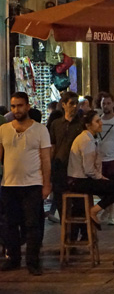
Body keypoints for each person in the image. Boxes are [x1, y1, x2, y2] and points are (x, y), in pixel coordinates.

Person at [0, 92, 51, 275]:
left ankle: (33, 261)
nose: (16, 110)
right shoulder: (4, 130)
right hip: (9, 184)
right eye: (13, 106)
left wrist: (46, 184)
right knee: (10, 224)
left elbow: (46, 159)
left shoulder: (40, 130)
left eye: (20, 106)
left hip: (32, 184)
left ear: (28, 106)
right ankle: (13, 258)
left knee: (32, 225)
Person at [67, 110, 114, 227]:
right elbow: (89, 170)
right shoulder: (86, 141)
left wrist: (102, 177)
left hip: (82, 178)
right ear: (88, 125)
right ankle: (95, 210)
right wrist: (101, 178)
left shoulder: (90, 138)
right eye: (97, 121)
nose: (101, 123)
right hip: (79, 181)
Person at [47, 91, 85, 223]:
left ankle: (77, 233)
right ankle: (67, 231)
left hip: (77, 169)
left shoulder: (81, 124)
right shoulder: (56, 124)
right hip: (60, 168)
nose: (75, 107)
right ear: (63, 105)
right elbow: (52, 146)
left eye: (77, 104)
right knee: (61, 203)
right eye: (71, 103)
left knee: (78, 204)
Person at [96, 93, 114, 225]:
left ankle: (111, 214)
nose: (106, 106)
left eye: (108, 103)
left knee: (113, 186)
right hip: (101, 158)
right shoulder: (98, 120)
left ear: (113, 104)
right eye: (103, 103)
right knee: (102, 187)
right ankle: (106, 209)